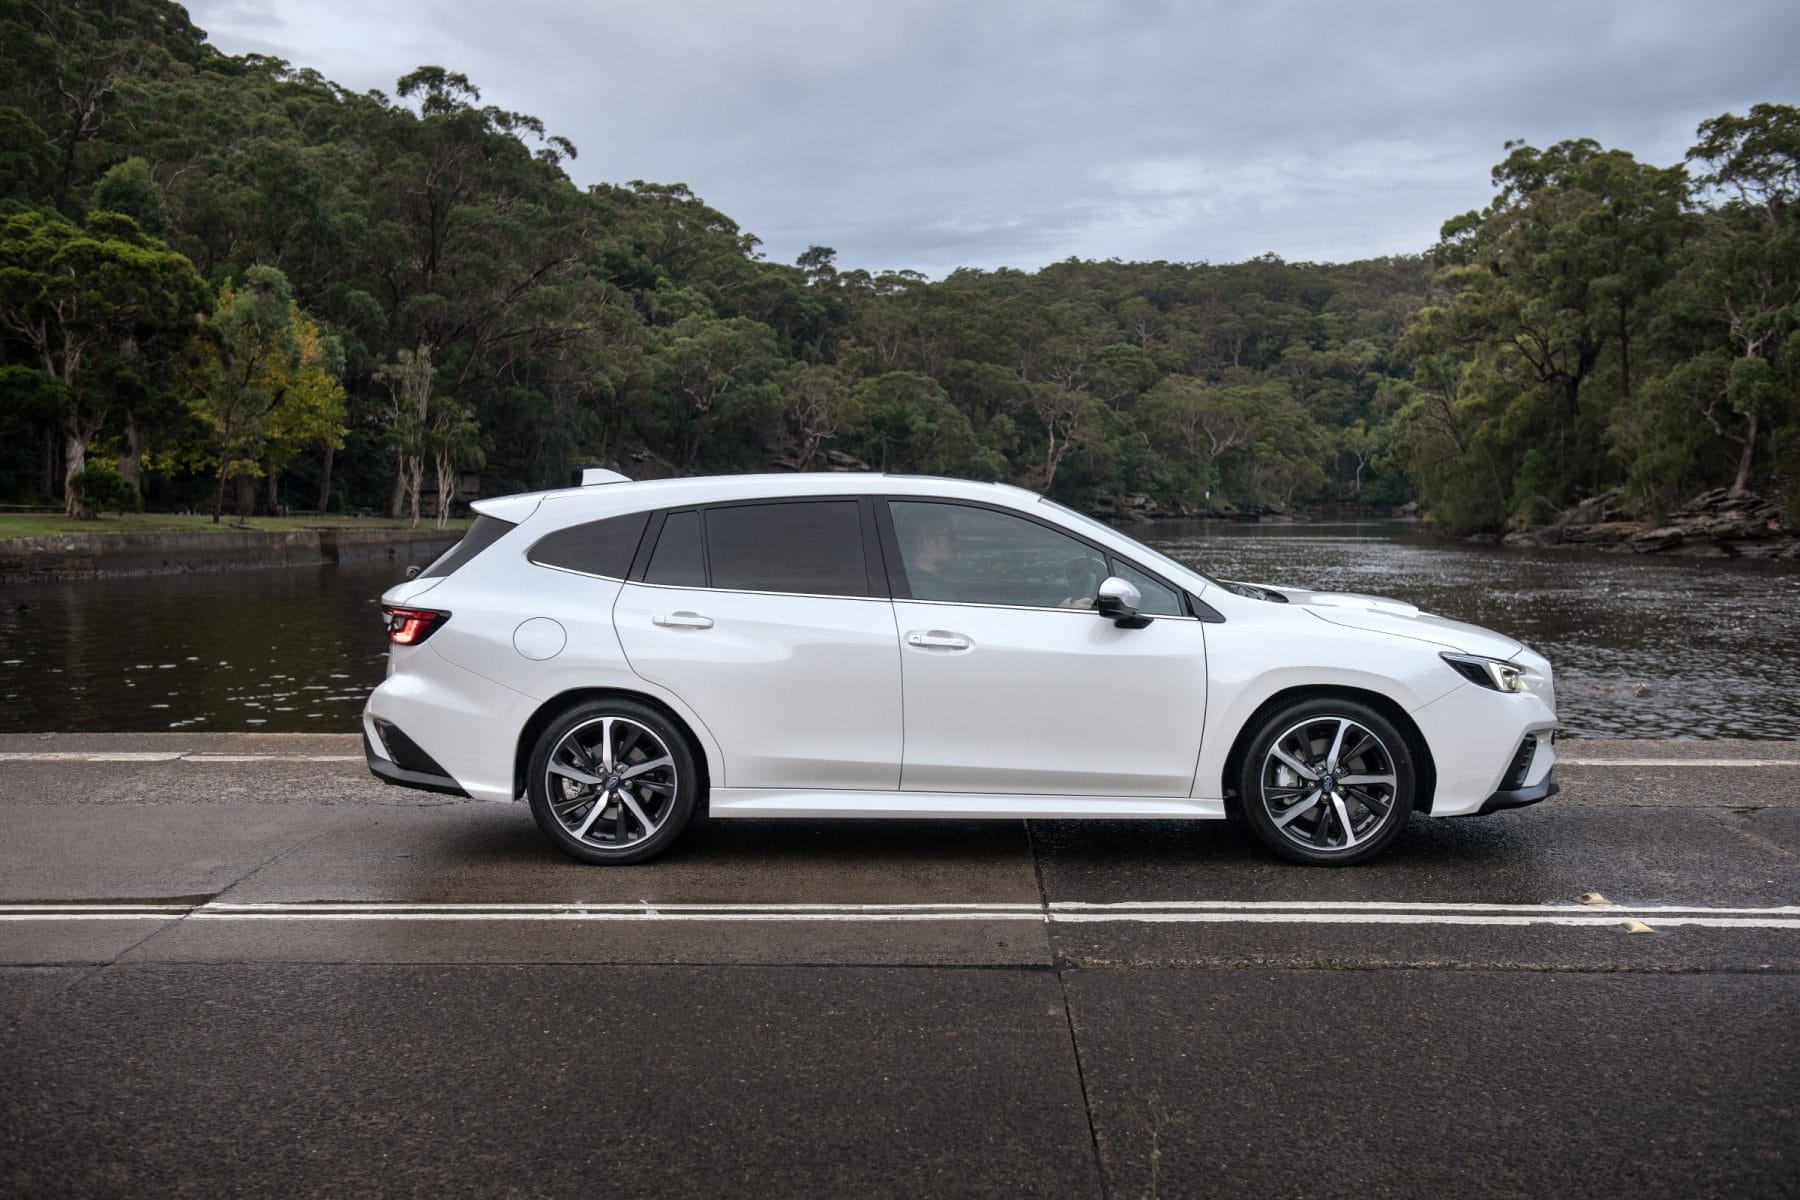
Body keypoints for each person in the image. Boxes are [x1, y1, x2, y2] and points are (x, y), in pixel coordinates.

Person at [899, 506, 960, 601]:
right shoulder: (934, 596)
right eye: (951, 537)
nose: (955, 544)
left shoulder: (906, 582)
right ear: (928, 544)